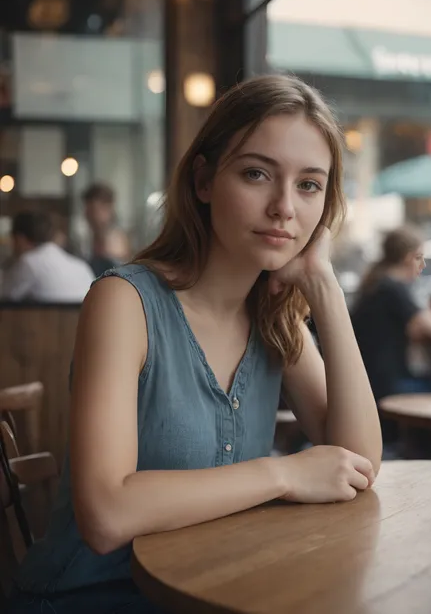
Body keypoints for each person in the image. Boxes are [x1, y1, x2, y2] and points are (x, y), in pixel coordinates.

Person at [8, 75, 382, 613]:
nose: (284, 207)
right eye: (257, 174)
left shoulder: (276, 320)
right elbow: (106, 515)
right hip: (88, 599)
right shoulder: (125, 303)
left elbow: (359, 462)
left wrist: (323, 288)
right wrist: (284, 473)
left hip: (214, 594)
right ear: (204, 179)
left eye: (309, 185)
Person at [351, 225, 431, 403]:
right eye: (420, 257)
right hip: (388, 384)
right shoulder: (393, 288)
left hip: (372, 380)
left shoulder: (378, 283)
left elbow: (416, 331)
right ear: (408, 258)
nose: (423, 265)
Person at [2, 211, 94, 303]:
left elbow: (5, 296)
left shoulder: (29, 263)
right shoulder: (82, 266)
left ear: (19, 239)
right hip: (84, 316)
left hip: (50, 317)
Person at [76, 183, 130, 276]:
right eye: (87, 210)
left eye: (93, 210)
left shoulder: (115, 241)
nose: (87, 215)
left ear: (108, 209)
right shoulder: (89, 238)